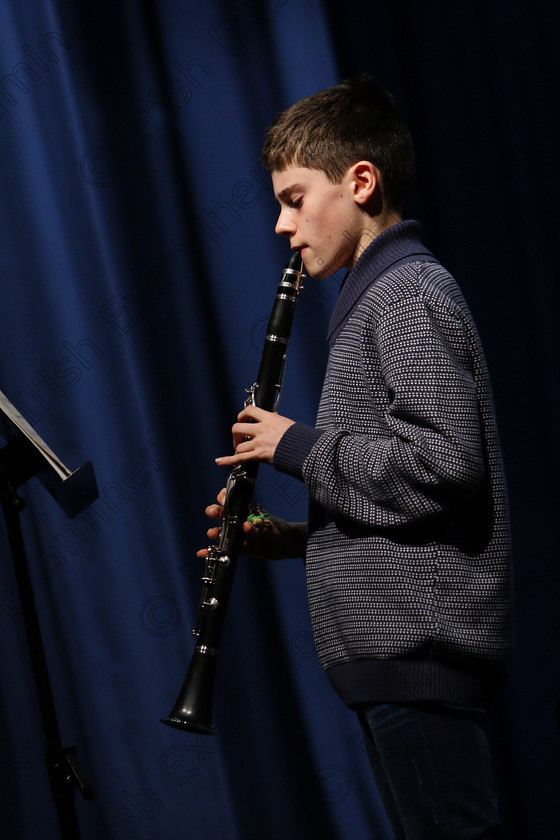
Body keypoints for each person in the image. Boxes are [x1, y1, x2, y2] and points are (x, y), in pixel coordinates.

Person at [199, 76, 513, 839]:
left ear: (360, 182)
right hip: (398, 655)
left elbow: (443, 464)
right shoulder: (378, 295)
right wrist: (299, 541)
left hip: (419, 651)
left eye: (294, 198)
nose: (280, 224)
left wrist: (293, 445)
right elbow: (419, 508)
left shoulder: (405, 293)